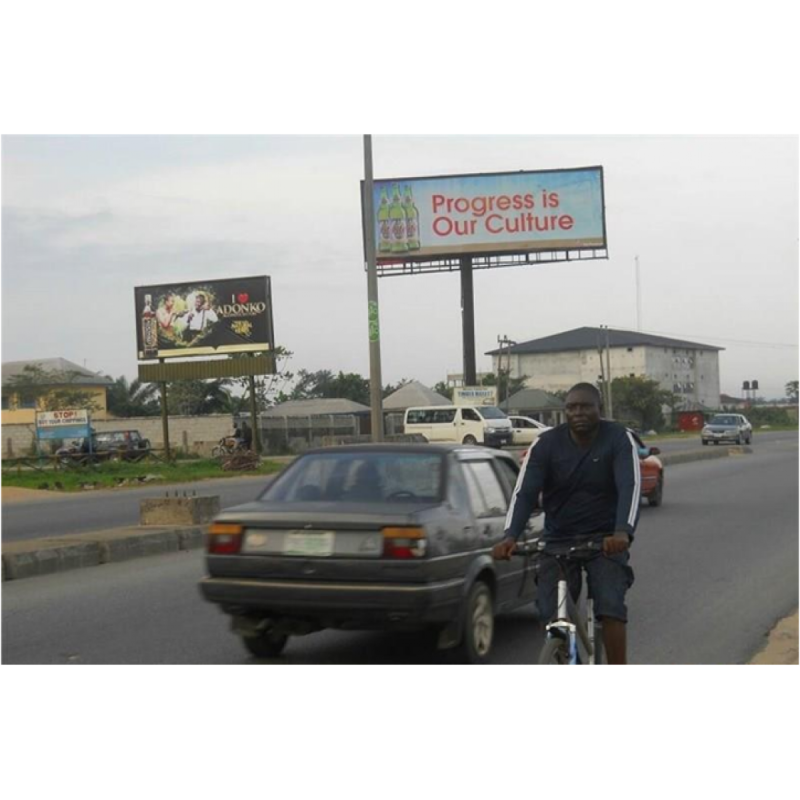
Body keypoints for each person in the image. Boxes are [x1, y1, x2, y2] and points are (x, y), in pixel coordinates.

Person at [493, 382, 641, 666]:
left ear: (600, 409)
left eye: (586, 406)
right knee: (552, 613)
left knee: (610, 608)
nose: (578, 412)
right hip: (558, 541)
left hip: (606, 541)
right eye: (572, 407)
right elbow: (524, 492)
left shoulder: (618, 439)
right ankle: (566, 660)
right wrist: (510, 536)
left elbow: (629, 486)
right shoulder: (546, 444)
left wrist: (623, 531)